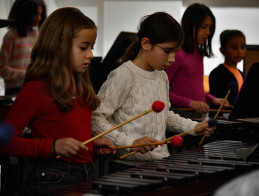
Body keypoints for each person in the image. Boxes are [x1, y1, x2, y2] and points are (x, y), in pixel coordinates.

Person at [0, 7, 115, 195]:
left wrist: (91, 144)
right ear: (59, 46)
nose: (91, 55)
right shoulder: (37, 89)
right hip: (53, 177)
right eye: (83, 47)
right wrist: (52, 146)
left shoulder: (80, 86)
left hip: (86, 173)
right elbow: (4, 142)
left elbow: (67, 133)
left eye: (91, 48)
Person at [91, 12, 215, 173]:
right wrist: (130, 141)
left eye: (175, 52)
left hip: (160, 162)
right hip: (127, 166)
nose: (172, 59)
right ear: (146, 44)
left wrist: (193, 127)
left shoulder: (161, 75)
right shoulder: (124, 75)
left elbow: (164, 115)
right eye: (167, 51)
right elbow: (96, 117)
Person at [166, 3, 229, 119]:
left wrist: (212, 99)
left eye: (210, 28)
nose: (208, 32)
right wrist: (191, 103)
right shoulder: (178, 54)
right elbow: (163, 92)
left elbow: (192, 88)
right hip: (180, 114)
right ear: (190, 26)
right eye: (204, 27)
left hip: (197, 115)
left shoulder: (198, 54)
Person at [0, 0, 46, 96]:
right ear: (25, 14)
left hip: (34, 87)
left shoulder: (37, 35)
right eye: (36, 14)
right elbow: (2, 69)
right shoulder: (11, 36)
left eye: (41, 14)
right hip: (15, 90)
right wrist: (26, 74)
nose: (39, 18)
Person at [209, 30, 246, 105]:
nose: (239, 51)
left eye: (242, 47)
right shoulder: (217, 73)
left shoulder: (242, 74)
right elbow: (219, 100)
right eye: (234, 48)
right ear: (222, 50)